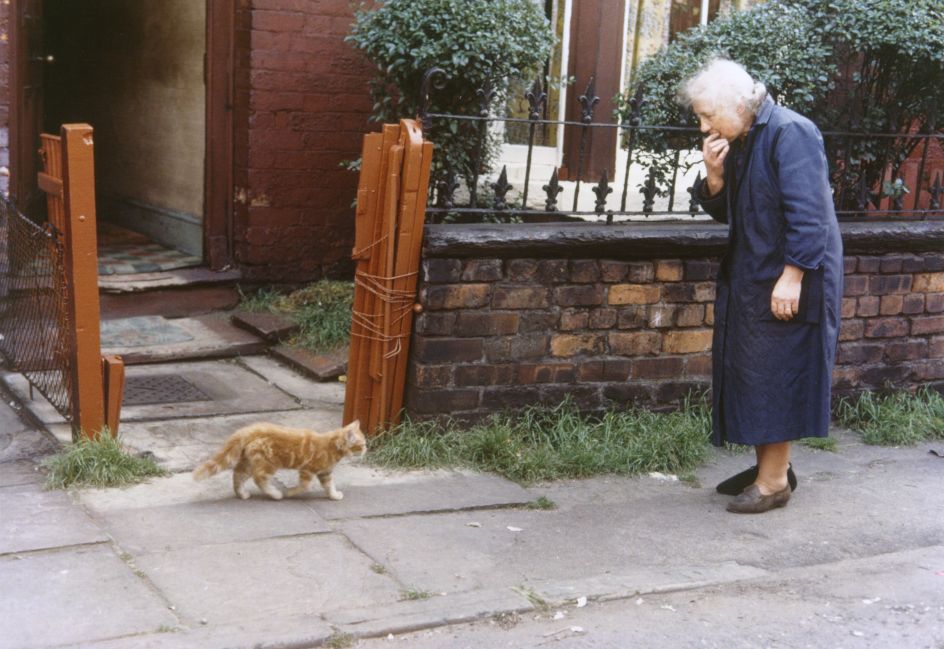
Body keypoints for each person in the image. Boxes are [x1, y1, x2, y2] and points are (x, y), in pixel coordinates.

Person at [682, 59, 843, 513]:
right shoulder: (747, 136)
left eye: (708, 115)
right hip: (756, 271)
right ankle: (770, 469)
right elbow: (736, 212)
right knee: (753, 369)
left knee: (777, 369)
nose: (703, 125)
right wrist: (714, 176)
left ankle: (774, 483)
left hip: (792, 273)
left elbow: (810, 214)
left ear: (738, 104)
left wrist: (793, 276)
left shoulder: (791, 132)